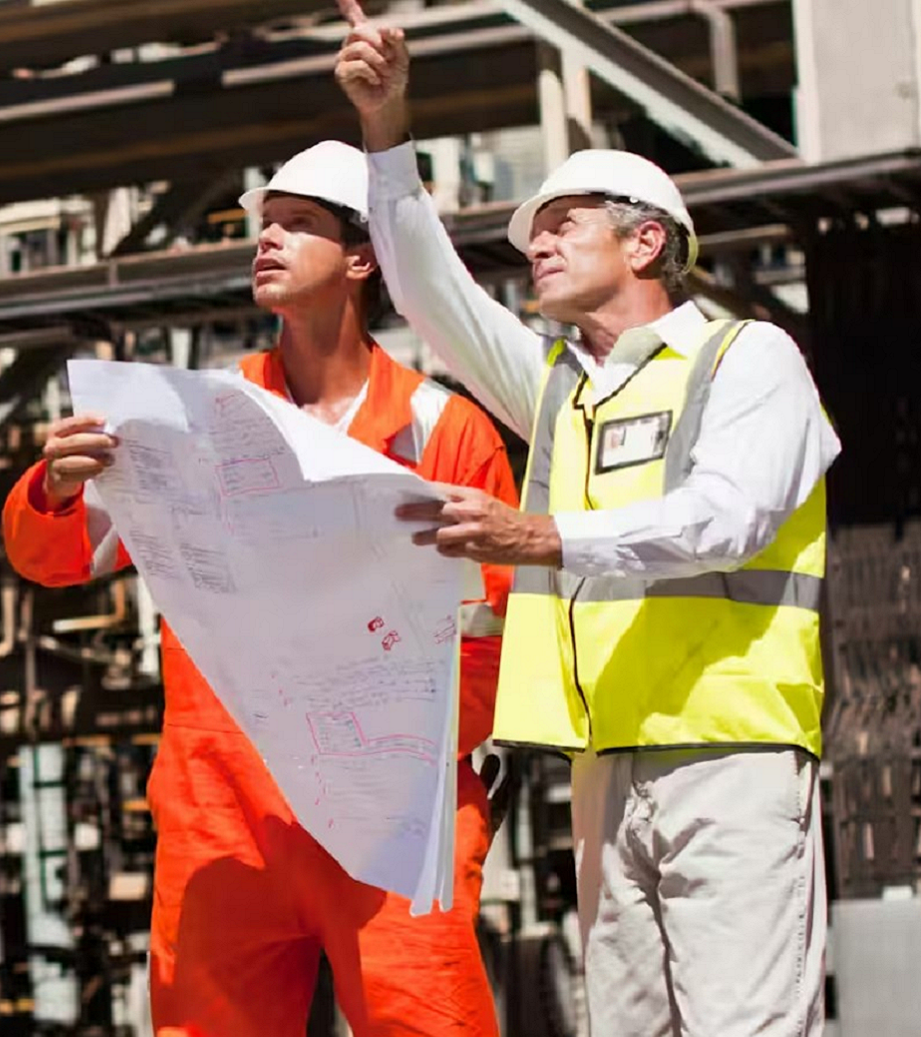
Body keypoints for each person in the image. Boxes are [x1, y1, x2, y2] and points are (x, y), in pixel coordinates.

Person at [334, 5, 840, 1035]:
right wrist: (387, 129)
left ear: (646, 238)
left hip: (730, 757)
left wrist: (542, 538)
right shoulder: (566, 386)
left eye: (565, 222)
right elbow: (437, 298)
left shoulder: (750, 360)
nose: (540, 245)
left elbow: (725, 520)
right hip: (605, 763)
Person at [3, 139, 517, 1035]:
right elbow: (57, 557)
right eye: (264, 223)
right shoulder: (194, 417)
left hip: (390, 806)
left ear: (362, 257)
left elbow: (495, 625)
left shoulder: (443, 427)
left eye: (299, 223)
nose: (268, 239)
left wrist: (419, 751)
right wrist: (53, 487)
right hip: (226, 809)